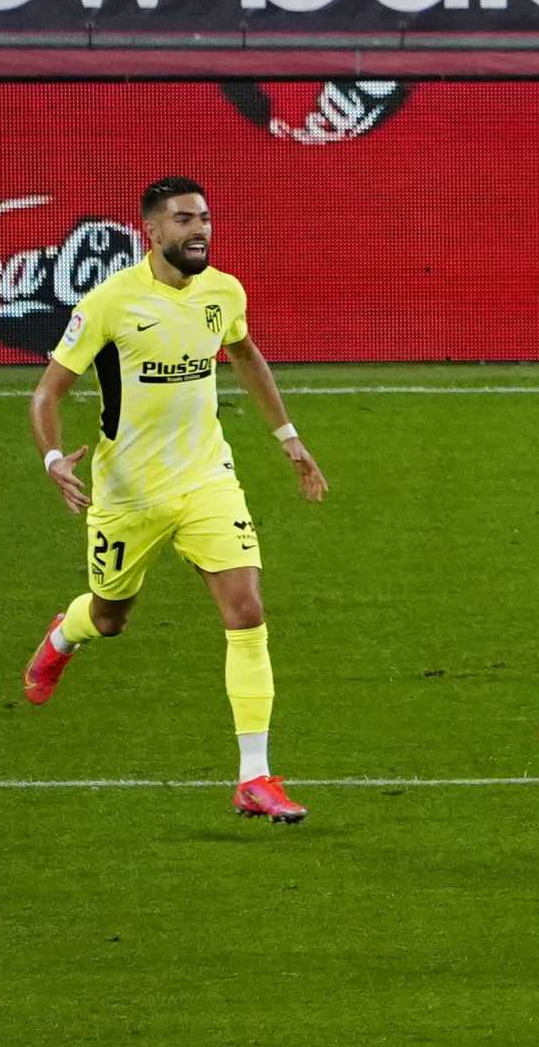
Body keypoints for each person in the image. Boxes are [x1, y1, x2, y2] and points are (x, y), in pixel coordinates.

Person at [21, 175, 329, 824]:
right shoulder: (110, 303)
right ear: (152, 231)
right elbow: (47, 394)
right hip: (128, 494)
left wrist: (288, 438)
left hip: (206, 479)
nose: (200, 231)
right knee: (110, 616)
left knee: (246, 609)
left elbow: (245, 353)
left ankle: (255, 776)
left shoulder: (224, 292)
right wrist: (53, 458)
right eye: (184, 220)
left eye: (206, 219)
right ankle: (64, 635)